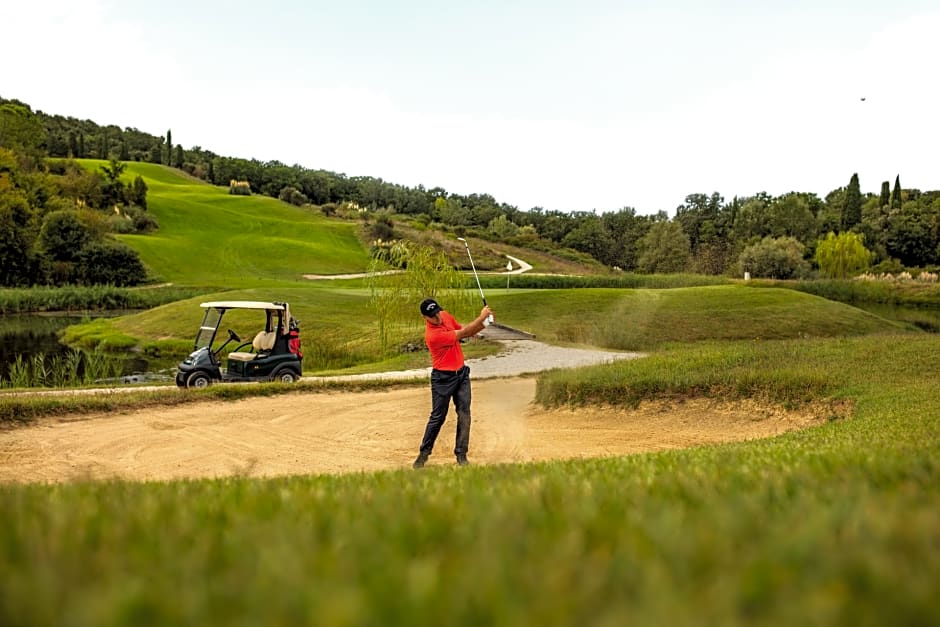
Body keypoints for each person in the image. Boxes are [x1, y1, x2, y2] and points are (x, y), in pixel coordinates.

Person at [412, 297, 494, 469]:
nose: (438, 317)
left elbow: (466, 332)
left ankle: (461, 455)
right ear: (425, 318)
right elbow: (462, 334)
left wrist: (485, 323)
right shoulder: (433, 336)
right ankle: (423, 455)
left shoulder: (444, 315)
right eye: (432, 316)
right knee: (438, 418)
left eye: (437, 312)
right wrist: (481, 317)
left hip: (461, 374)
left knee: (465, 414)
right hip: (442, 379)